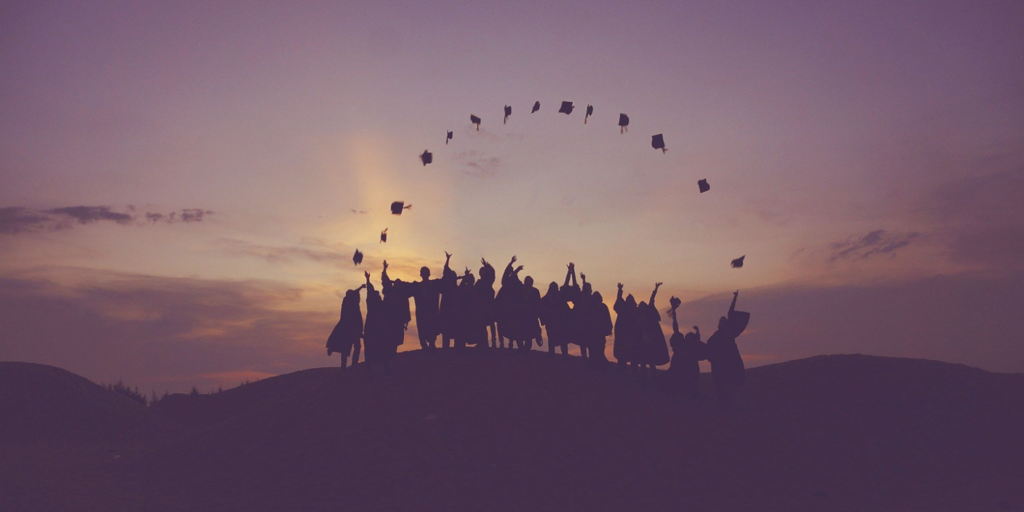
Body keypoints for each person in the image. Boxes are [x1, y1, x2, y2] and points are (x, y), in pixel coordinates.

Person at [707, 291, 747, 403]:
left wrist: (734, 298)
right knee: (722, 382)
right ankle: (724, 399)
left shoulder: (728, 333)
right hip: (720, 362)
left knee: (731, 380)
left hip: (729, 360)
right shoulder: (717, 335)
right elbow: (709, 346)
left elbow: (730, 312)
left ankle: (730, 399)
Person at [666, 297, 707, 398]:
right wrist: (674, 313)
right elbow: (675, 327)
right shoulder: (681, 345)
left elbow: (697, 340)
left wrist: (698, 332)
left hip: (689, 371)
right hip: (679, 370)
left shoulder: (690, 348)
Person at [326, 279, 366, 369]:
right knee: (349, 347)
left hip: (351, 330)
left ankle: (349, 365)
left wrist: (360, 287)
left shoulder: (349, 302)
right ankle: (350, 365)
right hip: (350, 330)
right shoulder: (349, 305)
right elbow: (354, 293)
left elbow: (354, 292)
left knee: (352, 347)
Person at [362, 271, 392, 375]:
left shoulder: (378, 305)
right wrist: (368, 279)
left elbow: (370, 291)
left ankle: (380, 368)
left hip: (376, 329)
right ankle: (375, 369)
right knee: (373, 348)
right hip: (374, 329)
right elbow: (370, 291)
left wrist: (368, 279)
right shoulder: (376, 304)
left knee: (381, 348)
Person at [636, 283, 670, 375]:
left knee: (651, 362)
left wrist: (656, 288)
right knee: (643, 362)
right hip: (642, 342)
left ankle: (653, 378)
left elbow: (652, 300)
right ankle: (644, 380)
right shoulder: (638, 318)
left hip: (650, 342)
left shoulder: (649, 315)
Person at [411, 257, 444, 350]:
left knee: (431, 329)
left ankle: (430, 345)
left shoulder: (434, 284)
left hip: (430, 312)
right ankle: (426, 346)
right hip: (423, 313)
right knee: (423, 329)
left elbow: (445, 281)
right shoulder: (417, 286)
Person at [613, 283, 640, 372]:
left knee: (633, 357)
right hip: (623, 337)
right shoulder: (623, 310)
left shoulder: (634, 312)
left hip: (631, 338)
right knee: (622, 356)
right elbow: (618, 302)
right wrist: (619, 291)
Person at [438, 252, 462, 349]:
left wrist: (447, 259)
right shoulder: (448, 288)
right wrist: (447, 259)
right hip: (447, 312)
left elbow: (445, 270)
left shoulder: (451, 289)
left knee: (451, 331)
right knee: (448, 331)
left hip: (451, 312)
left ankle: (450, 348)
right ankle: (449, 348)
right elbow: (445, 269)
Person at [540, 282, 569, 357]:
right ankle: (552, 355)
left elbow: (566, 309)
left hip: (561, 323)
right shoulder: (545, 299)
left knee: (563, 341)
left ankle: (564, 356)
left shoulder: (560, 298)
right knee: (552, 340)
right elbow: (540, 309)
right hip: (551, 323)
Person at [587, 290, 613, 365]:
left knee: (600, 348)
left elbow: (607, 319)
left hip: (599, 332)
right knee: (594, 349)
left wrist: (608, 328)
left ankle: (599, 363)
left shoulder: (603, 307)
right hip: (594, 332)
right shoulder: (591, 308)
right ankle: (595, 363)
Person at [520, 276, 544, 350]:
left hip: (531, 315)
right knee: (524, 333)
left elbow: (538, 304)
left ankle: (527, 348)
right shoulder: (521, 290)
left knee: (529, 334)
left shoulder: (534, 291)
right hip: (524, 315)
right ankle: (524, 348)